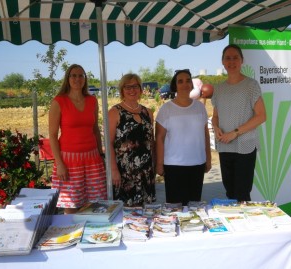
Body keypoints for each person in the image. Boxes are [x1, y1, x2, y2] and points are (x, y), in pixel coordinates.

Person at [48, 64, 107, 214]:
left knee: (94, 203)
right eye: (73, 75)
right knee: (72, 205)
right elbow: (53, 135)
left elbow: (95, 129)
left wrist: (100, 154)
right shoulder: (59, 102)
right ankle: (73, 234)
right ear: (67, 79)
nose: (77, 79)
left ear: (85, 79)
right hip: (69, 161)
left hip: (92, 158)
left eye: (81, 75)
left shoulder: (92, 100)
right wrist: (59, 163)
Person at [211, 44, 266, 202]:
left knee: (242, 194)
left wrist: (235, 132)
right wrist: (215, 127)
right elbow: (215, 116)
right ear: (222, 61)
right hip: (225, 146)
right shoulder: (219, 89)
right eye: (228, 58)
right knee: (230, 193)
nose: (231, 61)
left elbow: (261, 116)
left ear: (242, 60)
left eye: (235, 57)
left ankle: (245, 225)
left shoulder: (251, 85)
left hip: (245, 147)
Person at [155, 69, 211, 206]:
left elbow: (205, 134)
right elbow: (159, 138)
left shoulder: (200, 107)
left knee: (194, 207)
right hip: (173, 167)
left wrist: (208, 159)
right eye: (180, 81)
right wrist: (159, 164)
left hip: (197, 164)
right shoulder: (166, 109)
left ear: (192, 85)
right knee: (175, 209)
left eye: (188, 80)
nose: (185, 84)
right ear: (175, 86)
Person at [108, 73, 156, 206]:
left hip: (146, 171)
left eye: (135, 86)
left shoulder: (148, 112)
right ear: (122, 90)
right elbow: (109, 143)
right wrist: (114, 170)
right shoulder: (114, 112)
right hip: (125, 173)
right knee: (127, 214)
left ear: (141, 89)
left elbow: (151, 141)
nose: (132, 90)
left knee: (146, 211)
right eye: (127, 87)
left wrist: (155, 165)